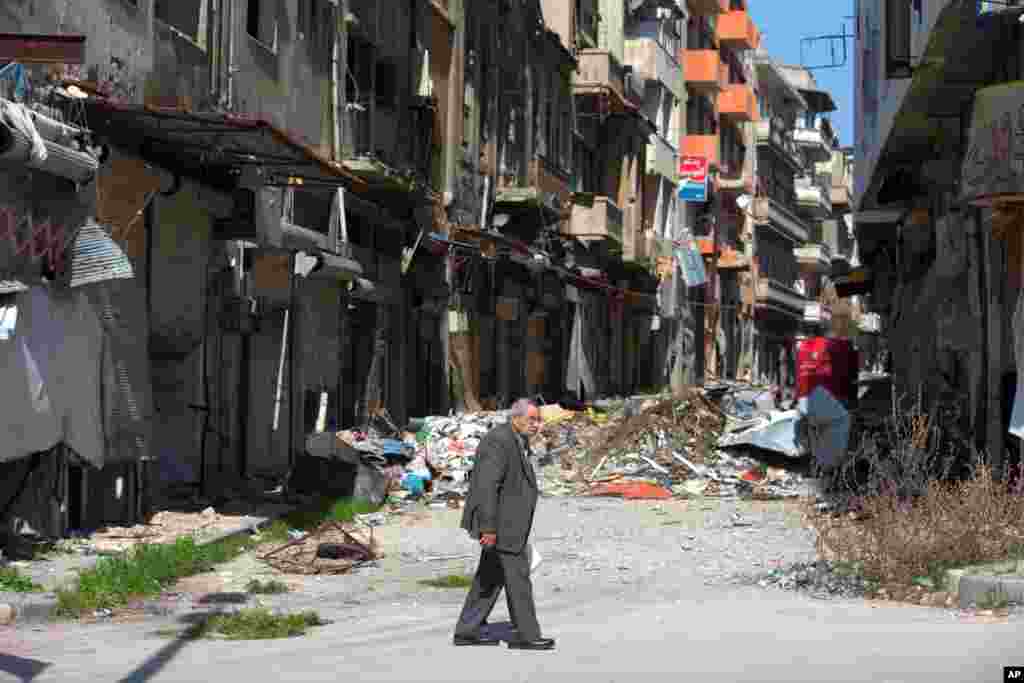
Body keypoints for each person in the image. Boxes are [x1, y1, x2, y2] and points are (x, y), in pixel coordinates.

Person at [453, 398, 555, 651]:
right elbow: (487, 487)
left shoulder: (516, 438)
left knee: (489, 577)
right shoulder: (498, 440)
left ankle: (467, 630)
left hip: (507, 523)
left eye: (539, 420)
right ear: (516, 417)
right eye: (532, 419)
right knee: (518, 579)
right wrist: (488, 528)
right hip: (501, 524)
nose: (536, 425)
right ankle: (528, 635)